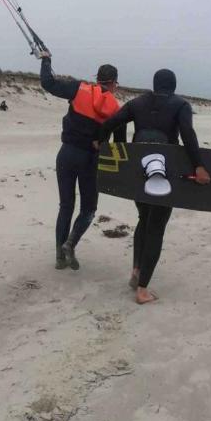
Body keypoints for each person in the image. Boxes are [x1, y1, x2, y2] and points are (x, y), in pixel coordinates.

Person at [95, 69, 211, 304]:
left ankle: (136, 271)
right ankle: (143, 290)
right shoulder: (180, 105)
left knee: (144, 219)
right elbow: (188, 135)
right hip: (164, 173)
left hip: (139, 172)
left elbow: (111, 122)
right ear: (174, 86)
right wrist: (198, 166)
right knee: (156, 226)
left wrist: (102, 143)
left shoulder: (136, 103)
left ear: (155, 84)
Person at [39, 51, 126, 270]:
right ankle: (71, 242)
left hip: (67, 154)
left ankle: (60, 256)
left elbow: (47, 83)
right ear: (114, 83)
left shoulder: (78, 88)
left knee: (66, 205)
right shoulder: (116, 109)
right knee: (88, 209)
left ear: (97, 79)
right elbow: (119, 144)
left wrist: (46, 60)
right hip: (91, 160)